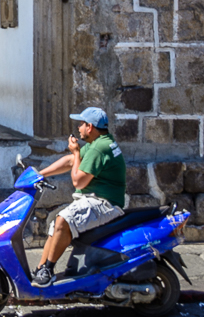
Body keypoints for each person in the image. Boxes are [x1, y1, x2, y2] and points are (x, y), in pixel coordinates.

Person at [32, 107, 126, 287]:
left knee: (62, 221)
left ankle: (48, 270)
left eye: (81, 124)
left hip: (104, 203)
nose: (79, 128)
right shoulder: (98, 143)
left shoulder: (100, 148)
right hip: (95, 200)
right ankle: (40, 269)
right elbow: (69, 161)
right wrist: (38, 175)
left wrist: (76, 152)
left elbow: (78, 182)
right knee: (55, 224)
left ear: (90, 127)